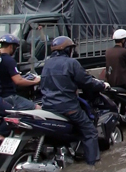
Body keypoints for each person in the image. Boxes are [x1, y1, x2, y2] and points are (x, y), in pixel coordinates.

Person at [40, 36, 109, 166]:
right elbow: (86, 81)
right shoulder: (71, 63)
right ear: (68, 49)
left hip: (48, 106)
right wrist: (102, 85)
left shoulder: (47, 63)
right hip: (68, 107)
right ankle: (92, 164)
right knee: (90, 132)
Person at [0, 34, 41, 110]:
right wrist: (36, 81)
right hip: (9, 96)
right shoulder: (9, 60)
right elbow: (18, 81)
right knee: (38, 108)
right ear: (11, 47)